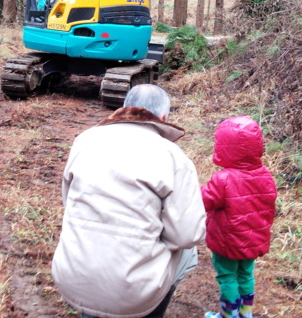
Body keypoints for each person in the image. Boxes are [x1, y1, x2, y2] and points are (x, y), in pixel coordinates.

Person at [52, 84, 206, 318]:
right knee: (189, 252)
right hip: (133, 294)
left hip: (70, 279)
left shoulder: (84, 140)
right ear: (163, 118)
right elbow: (187, 235)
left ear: (125, 109)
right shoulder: (174, 157)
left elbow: (68, 200)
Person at [201, 116, 277, 318]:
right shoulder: (266, 175)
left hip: (228, 242)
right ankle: (245, 313)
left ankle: (229, 315)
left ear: (225, 147)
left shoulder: (223, 179)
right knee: (245, 274)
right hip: (252, 240)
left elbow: (204, 201)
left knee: (227, 276)